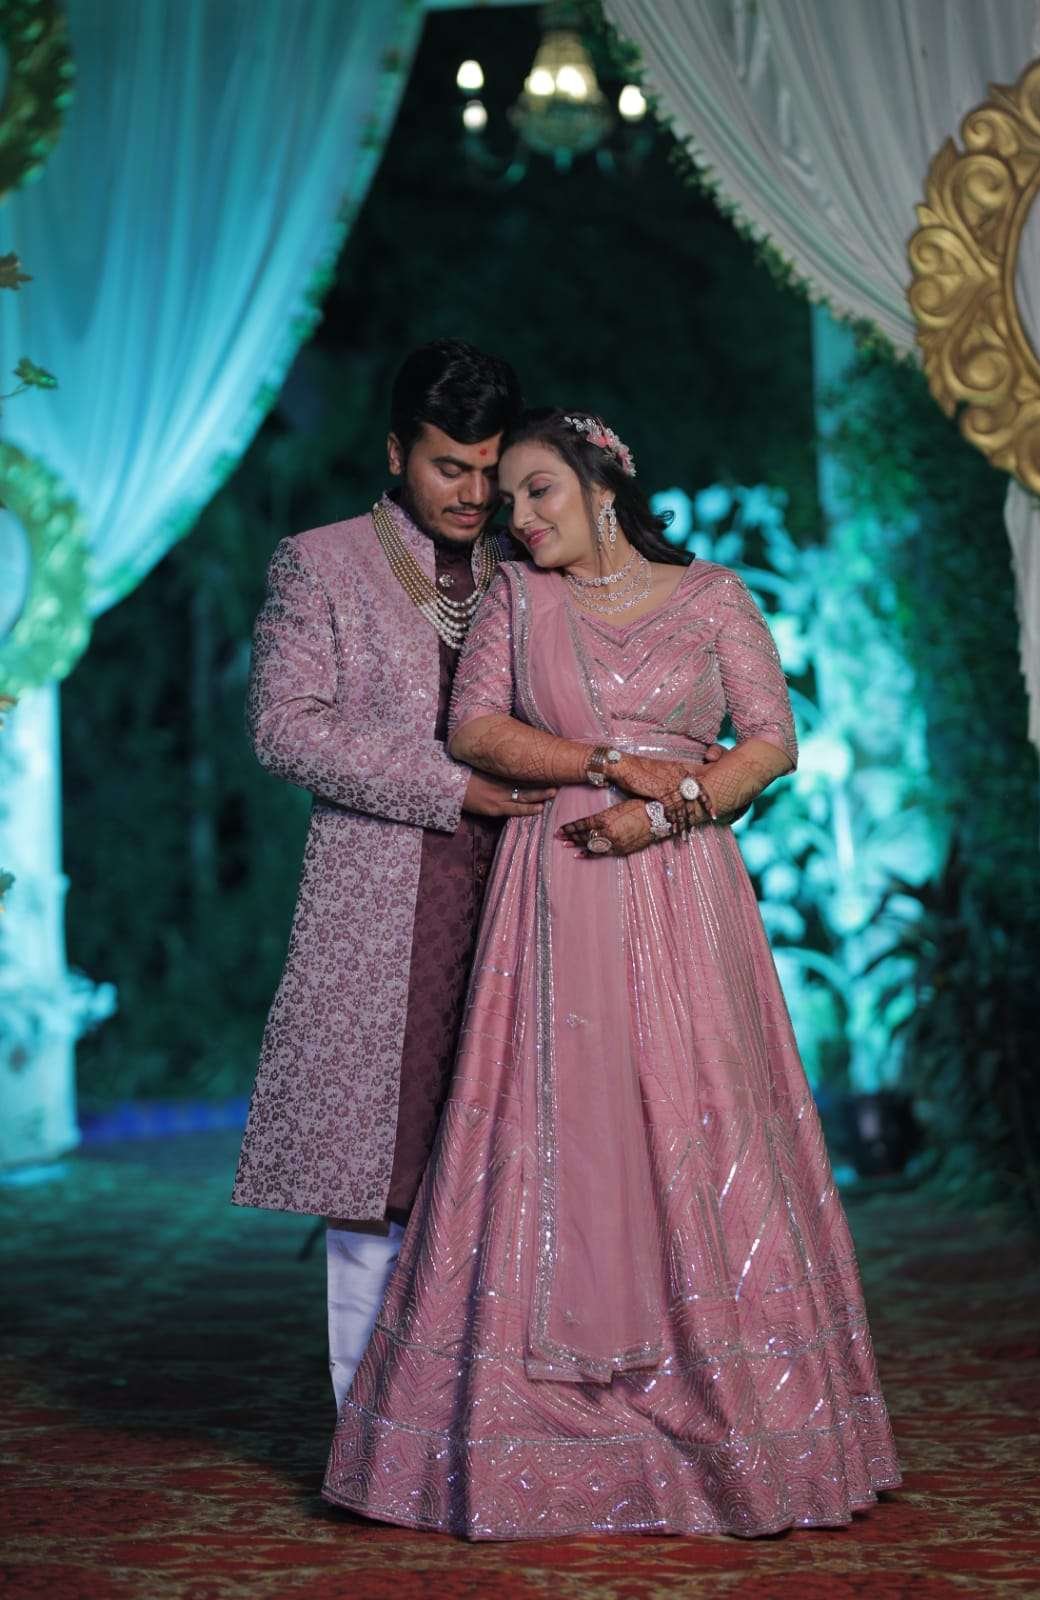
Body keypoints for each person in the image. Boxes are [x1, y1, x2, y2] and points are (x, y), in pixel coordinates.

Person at [323, 408, 901, 1539]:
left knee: (695, 1108)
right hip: (554, 886)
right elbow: (473, 730)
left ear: (602, 487)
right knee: (554, 1115)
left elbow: (770, 741)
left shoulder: (714, 596)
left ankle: (733, 1418)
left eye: (537, 491)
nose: (519, 517)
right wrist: (604, 763)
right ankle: (542, 1423)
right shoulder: (515, 599)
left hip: (683, 885)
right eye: (507, 501)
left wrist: (667, 808)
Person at [231, 340, 556, 1411]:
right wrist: (453, 785)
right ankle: (366, 1430)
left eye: (489, 468)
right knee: (378, 1170)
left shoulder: (533, 565)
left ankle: (495, 1428)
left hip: (526, 894)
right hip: (383, 904)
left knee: (515, 1162)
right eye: (447, 466)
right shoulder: (322, 564)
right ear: (394, 453)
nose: (472, 493)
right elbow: (283, 727)